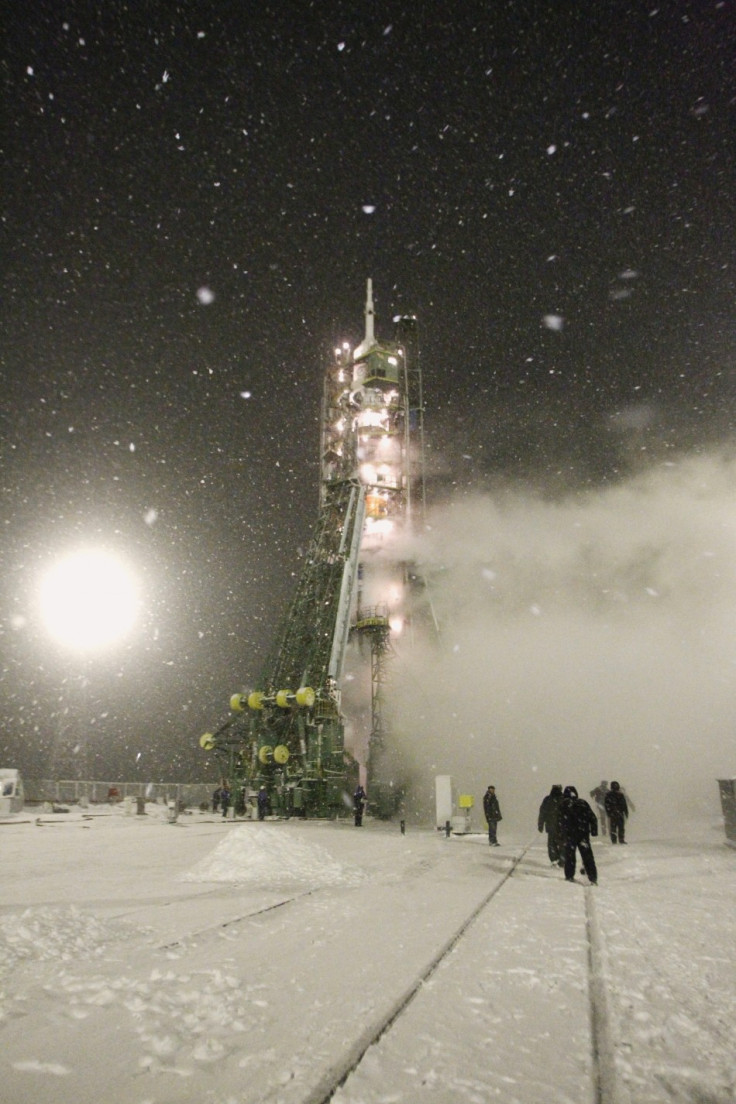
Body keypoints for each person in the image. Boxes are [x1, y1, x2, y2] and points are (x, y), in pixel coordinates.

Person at [559, 785, 598, 884]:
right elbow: (593, 818)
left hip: (570, 835)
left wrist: (560, 833)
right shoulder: (583, 803)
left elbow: (560, 821)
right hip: (583, 834)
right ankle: (592, 877)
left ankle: (569, 876)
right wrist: (594, 831)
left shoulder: (563, 805)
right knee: (587, 856)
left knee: (570, 856)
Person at [538, 784, 565, 865]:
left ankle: (554, 859)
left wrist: (540, 824)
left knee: (551, 844)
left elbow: (542, 813)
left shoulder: (547, 799)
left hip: (551, 825)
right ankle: (562, 859)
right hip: (562, 826)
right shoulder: (563, 799)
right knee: (562, 843)